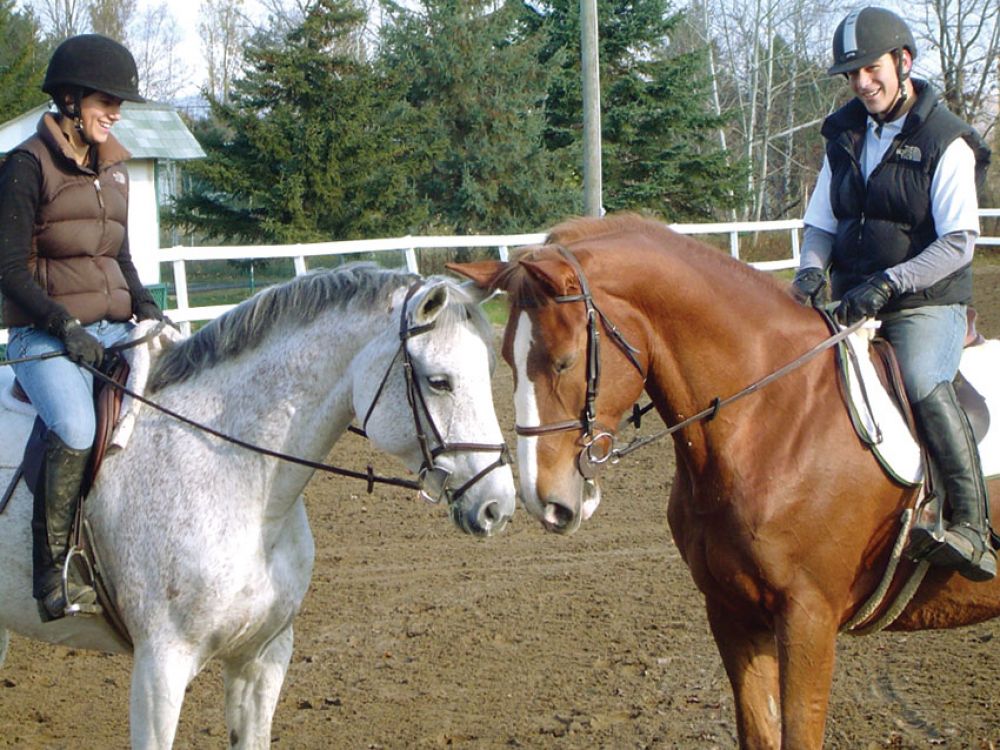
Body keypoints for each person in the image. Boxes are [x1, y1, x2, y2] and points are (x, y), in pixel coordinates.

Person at [791, 7, 996, 581]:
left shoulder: (947, 140)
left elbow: (958, 242)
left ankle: (970, 528)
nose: (861, 83)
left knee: (921, 380)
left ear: (904, 62)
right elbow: (821, 224)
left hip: (924, 301)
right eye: (851, 74)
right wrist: (810, 272)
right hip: (854, 297)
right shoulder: (844, 133)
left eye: (870, 69)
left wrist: (891, 281)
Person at [0, 34, 167, 620]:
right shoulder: (26, 165)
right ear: (70, 100)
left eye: (119, 102)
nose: (115, 111)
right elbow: (7, 269)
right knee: (73, 426)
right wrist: (63, 326)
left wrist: (146, 308)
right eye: (105, 99)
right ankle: (52, 570)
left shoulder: (113, 169)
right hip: (42, 336)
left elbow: (117, 256)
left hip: (113, 328)